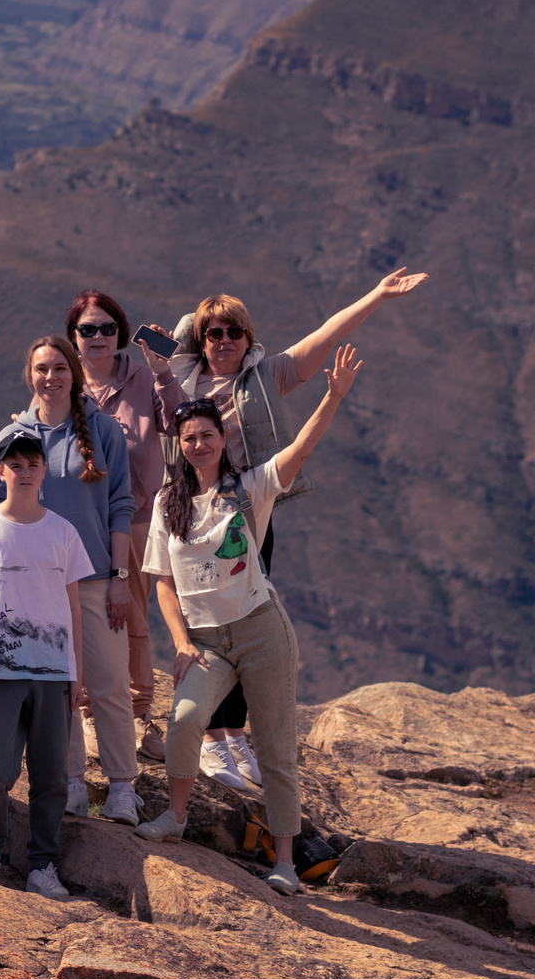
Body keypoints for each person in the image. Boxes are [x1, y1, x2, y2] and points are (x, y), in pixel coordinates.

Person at [159, 267, 427, 794]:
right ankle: (211, 739)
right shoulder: (177, 381)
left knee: (246, 618)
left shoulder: (267, 376)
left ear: (248, 338)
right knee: (204, 622)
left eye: (234, 332)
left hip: (248, 514)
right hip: (191, 514)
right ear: (200, 339)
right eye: (213, 332)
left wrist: (376, 294)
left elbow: (325, 335)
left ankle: (234, 733)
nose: (224, 341)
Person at [136, 345, 366, 896]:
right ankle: (176, 815)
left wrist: (332, 397)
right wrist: (180, 641)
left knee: (274, 746)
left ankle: (284, 861)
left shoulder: (251, 487)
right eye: (188, 438)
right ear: (180, 444)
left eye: (207, 435)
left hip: (262, 630)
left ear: (222, 439)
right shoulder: (169, 503)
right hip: (207, 642)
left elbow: (302, 448)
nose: (198, 444)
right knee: (186, 720)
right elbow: (162, 582)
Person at [0, 338, 138, 824]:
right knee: (59, 688)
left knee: (111, 683)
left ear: (73, 373)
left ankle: (121, 788)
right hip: (37, 588)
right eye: (41, 369)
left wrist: (120, 578)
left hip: (94, 579)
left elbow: (121, 507)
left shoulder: (104, 430)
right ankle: (70, 781)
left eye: (59, 368)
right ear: (30, 376)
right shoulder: (13, 436)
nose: (51, 377)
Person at [0, 426, 92, 899]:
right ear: (0, 470)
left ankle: (41, 867)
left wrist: (78, 674)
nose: (25, 472)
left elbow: (74, 610)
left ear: (44, 470)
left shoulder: (63, 532)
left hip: (53, 673)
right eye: (15, 464)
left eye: (33, 464)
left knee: (51, 774)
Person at [64, 292, 168, 729]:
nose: (98, 337)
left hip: (138, 519)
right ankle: (88, 713)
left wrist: (166, 375)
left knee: (134, 617)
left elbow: (182, 423)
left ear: (121, 332)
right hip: (80, 523)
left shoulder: (144, 379)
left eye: (107, 328)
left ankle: (138, 713)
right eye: (87, 329)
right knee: (84, 615)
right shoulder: (63, 381)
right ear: (74, 336)